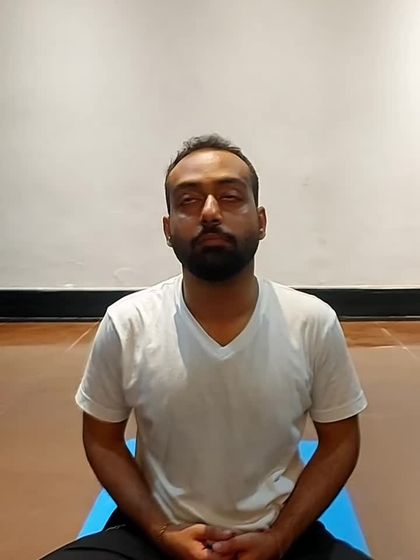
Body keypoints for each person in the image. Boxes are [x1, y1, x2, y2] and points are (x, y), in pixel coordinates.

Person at [41, 134, 371, 560]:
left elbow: (340, 442)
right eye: (189, 201)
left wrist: (281, 538)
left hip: (278, 533)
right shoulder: (129, 322)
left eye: (230, 197)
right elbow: (102, 440)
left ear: (261, 221)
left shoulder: (311, 321)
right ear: (168, 229)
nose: (211, 212)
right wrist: (162, 532)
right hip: (157, 535)